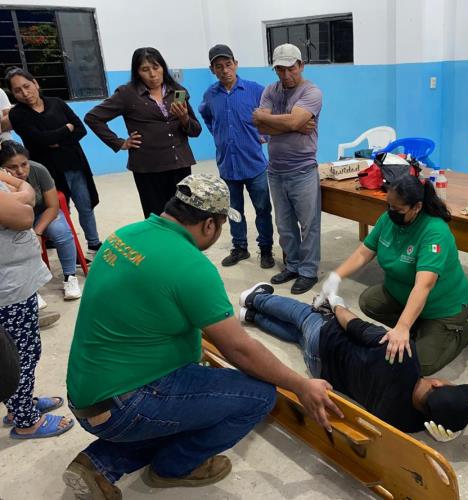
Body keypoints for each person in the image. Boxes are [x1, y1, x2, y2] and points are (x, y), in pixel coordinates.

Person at [63, 173, 341, 499]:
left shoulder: (124, 236)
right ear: (209, 224)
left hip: (88, 397)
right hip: (127, 403)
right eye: (221, 224)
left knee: (193, 392)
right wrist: (300, 384)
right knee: (258, 397)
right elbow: (240, 350)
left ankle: (99, 462)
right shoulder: (190, 267)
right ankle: (175, 466)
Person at [239, 283, 468, 436]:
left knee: (302, 315)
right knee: (296, 335)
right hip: (321, 371)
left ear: (437, 384)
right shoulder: (406, 421)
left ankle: (255, 299)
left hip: (326, 340)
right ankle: (252, 317)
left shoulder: (403, 356)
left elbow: (356, 326)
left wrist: (336, 305)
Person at [316, 175, 468, 375]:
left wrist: (403, 326)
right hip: (404, 295)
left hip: (442, 306)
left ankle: (465, 326)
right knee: (370, 301)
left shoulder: (435, 232)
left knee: (419, 364)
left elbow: (424, 286)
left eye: (398, 209)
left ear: (417, 207)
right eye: (389, 206)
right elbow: (364, 252)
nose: (391, 212)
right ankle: (420, 327)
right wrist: (336, 276)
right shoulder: (388, 219)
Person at [85, 47, 202, 219]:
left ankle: (178, 246)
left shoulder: (176, 91)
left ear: (163, 67)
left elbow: (195, 131)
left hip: (180, 164)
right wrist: (119, 142)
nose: (153, 74)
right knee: (156, 215)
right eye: (145, 70)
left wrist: (184, 118)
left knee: (183, 215)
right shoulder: (127, 94)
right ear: (137, 72)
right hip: (148, 167)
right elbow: (93, 118)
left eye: (156, 67)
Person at [0, 169, 73, 439]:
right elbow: (25, 215)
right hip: (7, 291)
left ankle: (19, 403)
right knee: (20, 355)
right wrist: (22, 190)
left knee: (18, 351)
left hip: (14, 283)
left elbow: (25, 199)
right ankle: (26, 420)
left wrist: (19, 193)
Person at [6, 67, 102, 258]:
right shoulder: (17, 115)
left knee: (85, 205)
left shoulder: (57, 103)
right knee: (58, 212)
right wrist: (66, 129)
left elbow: (80, 129)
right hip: (48, 173)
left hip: (75, 165)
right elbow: (40, 140)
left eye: (27, 86)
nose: (25, 93)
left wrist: (55, 139)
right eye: (18, 90)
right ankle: (71, 251)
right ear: (13, 94)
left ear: (35, 83)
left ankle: (94, 243)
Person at [252, 43, 322, 295]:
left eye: (290, 68)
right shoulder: (271, 90)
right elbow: (260, 127)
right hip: (276, 170)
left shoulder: (312, 91)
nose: (285, 75)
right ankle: (292, 265)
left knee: (308, 224)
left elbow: (286, 120)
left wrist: (273, 120)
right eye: (280, 69)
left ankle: (308, 271)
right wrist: (291, 123)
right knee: (284, 224)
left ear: (300, 65)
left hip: (302, 169)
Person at [199, 44, 275, 269]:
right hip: (227, 166)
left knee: (263, 209)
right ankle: (240, 247)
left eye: (228, 64)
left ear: (236, 64)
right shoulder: (210, 95)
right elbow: (207, 117)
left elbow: (272, 117)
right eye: (219, 66)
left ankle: (266, 249)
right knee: (233, 211)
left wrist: (266, 136)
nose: (225, 70)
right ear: (212, 69)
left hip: (254, 165)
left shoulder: (255, 90)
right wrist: (219, 134)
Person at [1, 140, 81, 300]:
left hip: (42, 214)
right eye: (13, 167)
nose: (20, 171)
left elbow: (53, 206)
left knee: (61, 231)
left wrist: (37, 231)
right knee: (17, 242)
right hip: (15, 220)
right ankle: (30, 290)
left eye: (24, 164)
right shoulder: (3, 182)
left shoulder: (38, 170)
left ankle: (70, 277)